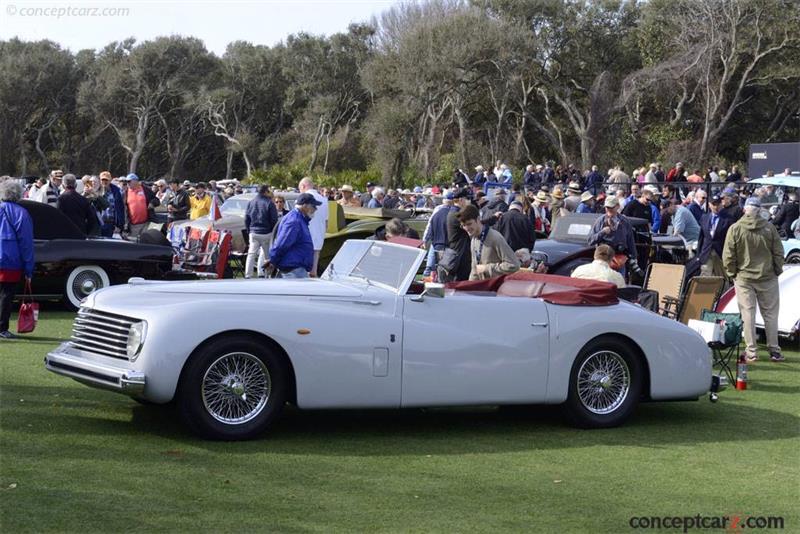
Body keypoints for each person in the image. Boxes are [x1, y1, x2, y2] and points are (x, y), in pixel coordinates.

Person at [722, 197, 784, 362]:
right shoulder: (769, 228)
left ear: (744, 210)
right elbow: (778, 252)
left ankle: (751, 351)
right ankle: (774, 350)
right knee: (770, 314)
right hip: (767, 276)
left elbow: (728, 255)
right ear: (760, 210)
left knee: (748, 313)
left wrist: (732, 273)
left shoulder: (735, 229)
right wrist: (777, 270)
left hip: (744, 277)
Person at [0, 179, 35, 339]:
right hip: (10, 260)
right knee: (6, 295)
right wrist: (29, 268)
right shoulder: (21, 213)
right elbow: (26, 243)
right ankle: (2, 327)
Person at [457, 204, 520, 281]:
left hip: (496, 289)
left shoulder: (495, 237)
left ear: (478, 219)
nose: (466, 228)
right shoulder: (474, 239)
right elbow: (474, 269)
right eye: (463, 225)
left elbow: (514, 265)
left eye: (469, 224)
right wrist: (469, 286)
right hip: (482, 289)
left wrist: (486, 268)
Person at [268, 193, 320, 278]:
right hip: (292, 270)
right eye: (314, 206)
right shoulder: (294, 221)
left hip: (295, 269)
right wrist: (272, 261)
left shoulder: (299, 219)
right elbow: (281, 244)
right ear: (305, 206)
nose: (315, 209)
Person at [588, 196, 638, 274]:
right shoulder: (600, 221)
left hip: (619, 259)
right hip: (603, 260)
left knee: (619, 283)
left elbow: (630, 240)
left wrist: (634, 257)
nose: (609, 209)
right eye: (607, 207)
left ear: (617, 206)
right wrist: (602, 232)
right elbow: (590, 241)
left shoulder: (625, 221)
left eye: (611, 207)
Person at [438, 189, 472, 282]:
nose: (469, 201)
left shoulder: (453, 212)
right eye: (467, 199)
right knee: (459, 282)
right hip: (459, 254)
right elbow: (471, 227)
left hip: (456, 251)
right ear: (461, 200)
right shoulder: (457, 214)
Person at [244, 185, 278, 279]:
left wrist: (248, 230)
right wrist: (273, 231)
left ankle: (248, 275)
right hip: (266, 232)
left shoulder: (251, 202)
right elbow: (274, 219)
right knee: (267, 256)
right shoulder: (269, 203)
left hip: (253, 232)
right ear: (266, 191)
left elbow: (246, 218)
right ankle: (266, 274)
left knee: (251, 254)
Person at [696, 194, 733, 277]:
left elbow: (731, 239)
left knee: (722, 277)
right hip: (706, 252)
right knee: (705, 276)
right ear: (709, 204)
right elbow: (701, 237)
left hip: (721, 253)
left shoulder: (728, 219)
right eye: (713, 204)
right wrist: (698, 254)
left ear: (721, 204)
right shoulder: (704, 218)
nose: (716, 207)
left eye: (718, 204)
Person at [298, 177, 329, 277]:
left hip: (304, 237)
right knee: (313, 270)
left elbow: (296, 218)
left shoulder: (303, 198)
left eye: (300, 189)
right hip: (318, 237)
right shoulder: (324, 200)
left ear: (303, 186)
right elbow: (326, 222)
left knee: (302, 269)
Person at [98, 171, 125, 237]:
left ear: (110, 180)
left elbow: (120, 210)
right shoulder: (96, 191)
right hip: (98, 223)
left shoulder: (116, 192)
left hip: (111, 223)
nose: (104, 182)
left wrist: (119, 225)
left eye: (106, 180)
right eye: (102, 180)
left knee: (108, 245)